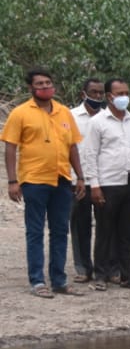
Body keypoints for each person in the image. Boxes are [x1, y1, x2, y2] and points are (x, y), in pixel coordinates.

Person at [3, 69, 87, 298]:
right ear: (31, 88)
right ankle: (37, 281)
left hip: (61, 179)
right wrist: (12, 181)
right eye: (40, 83)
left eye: (48, 82)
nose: (45, 86)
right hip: (34, 179)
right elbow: (10, 147)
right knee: (35, 231)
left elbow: (72, 146)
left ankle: (59, 280)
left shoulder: (64, 112)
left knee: (60, 230)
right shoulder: (20, 113)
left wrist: (79, 176)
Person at [81, 79, 130, 292]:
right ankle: (101, 275)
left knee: (129, 233)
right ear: (109, 96)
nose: (124, 97)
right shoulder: (98, 122)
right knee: (105, 230)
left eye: (126, 92)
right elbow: (90, 154)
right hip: (107, 183)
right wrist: (94, 185)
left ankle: (128, 275)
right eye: (119, 93)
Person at [69, 78, 105, 283]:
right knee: (80, 224)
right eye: (93, 92)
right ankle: (83, 268)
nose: (97, 96)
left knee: (106, 225)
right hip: (77, 180)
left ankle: (106, 267)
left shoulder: (108, 117)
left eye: (101, 93)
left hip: (103, 180)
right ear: (83, 93)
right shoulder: (70, 116)